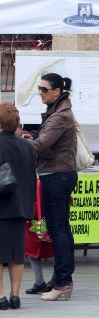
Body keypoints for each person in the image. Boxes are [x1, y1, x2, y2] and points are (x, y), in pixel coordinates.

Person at [20, 74, 77, 301]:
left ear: (57, 91)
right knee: (60, 228)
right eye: (39, 88)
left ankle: (62, 282)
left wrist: (21, 143)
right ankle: (61, 279)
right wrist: (30, 135)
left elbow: (41, 146)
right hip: (58, 173)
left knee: (58, 229)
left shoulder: (60, 116)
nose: (41, 93)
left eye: (44, 89)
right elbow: (43, 139)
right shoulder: (57, 112)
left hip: (57, 175)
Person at [0, 103, 37, 310]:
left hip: (2, 206)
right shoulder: (27, 146)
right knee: (17, 254)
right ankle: (15, 296)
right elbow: (32, 176)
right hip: (21, 206)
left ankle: (1, 297)